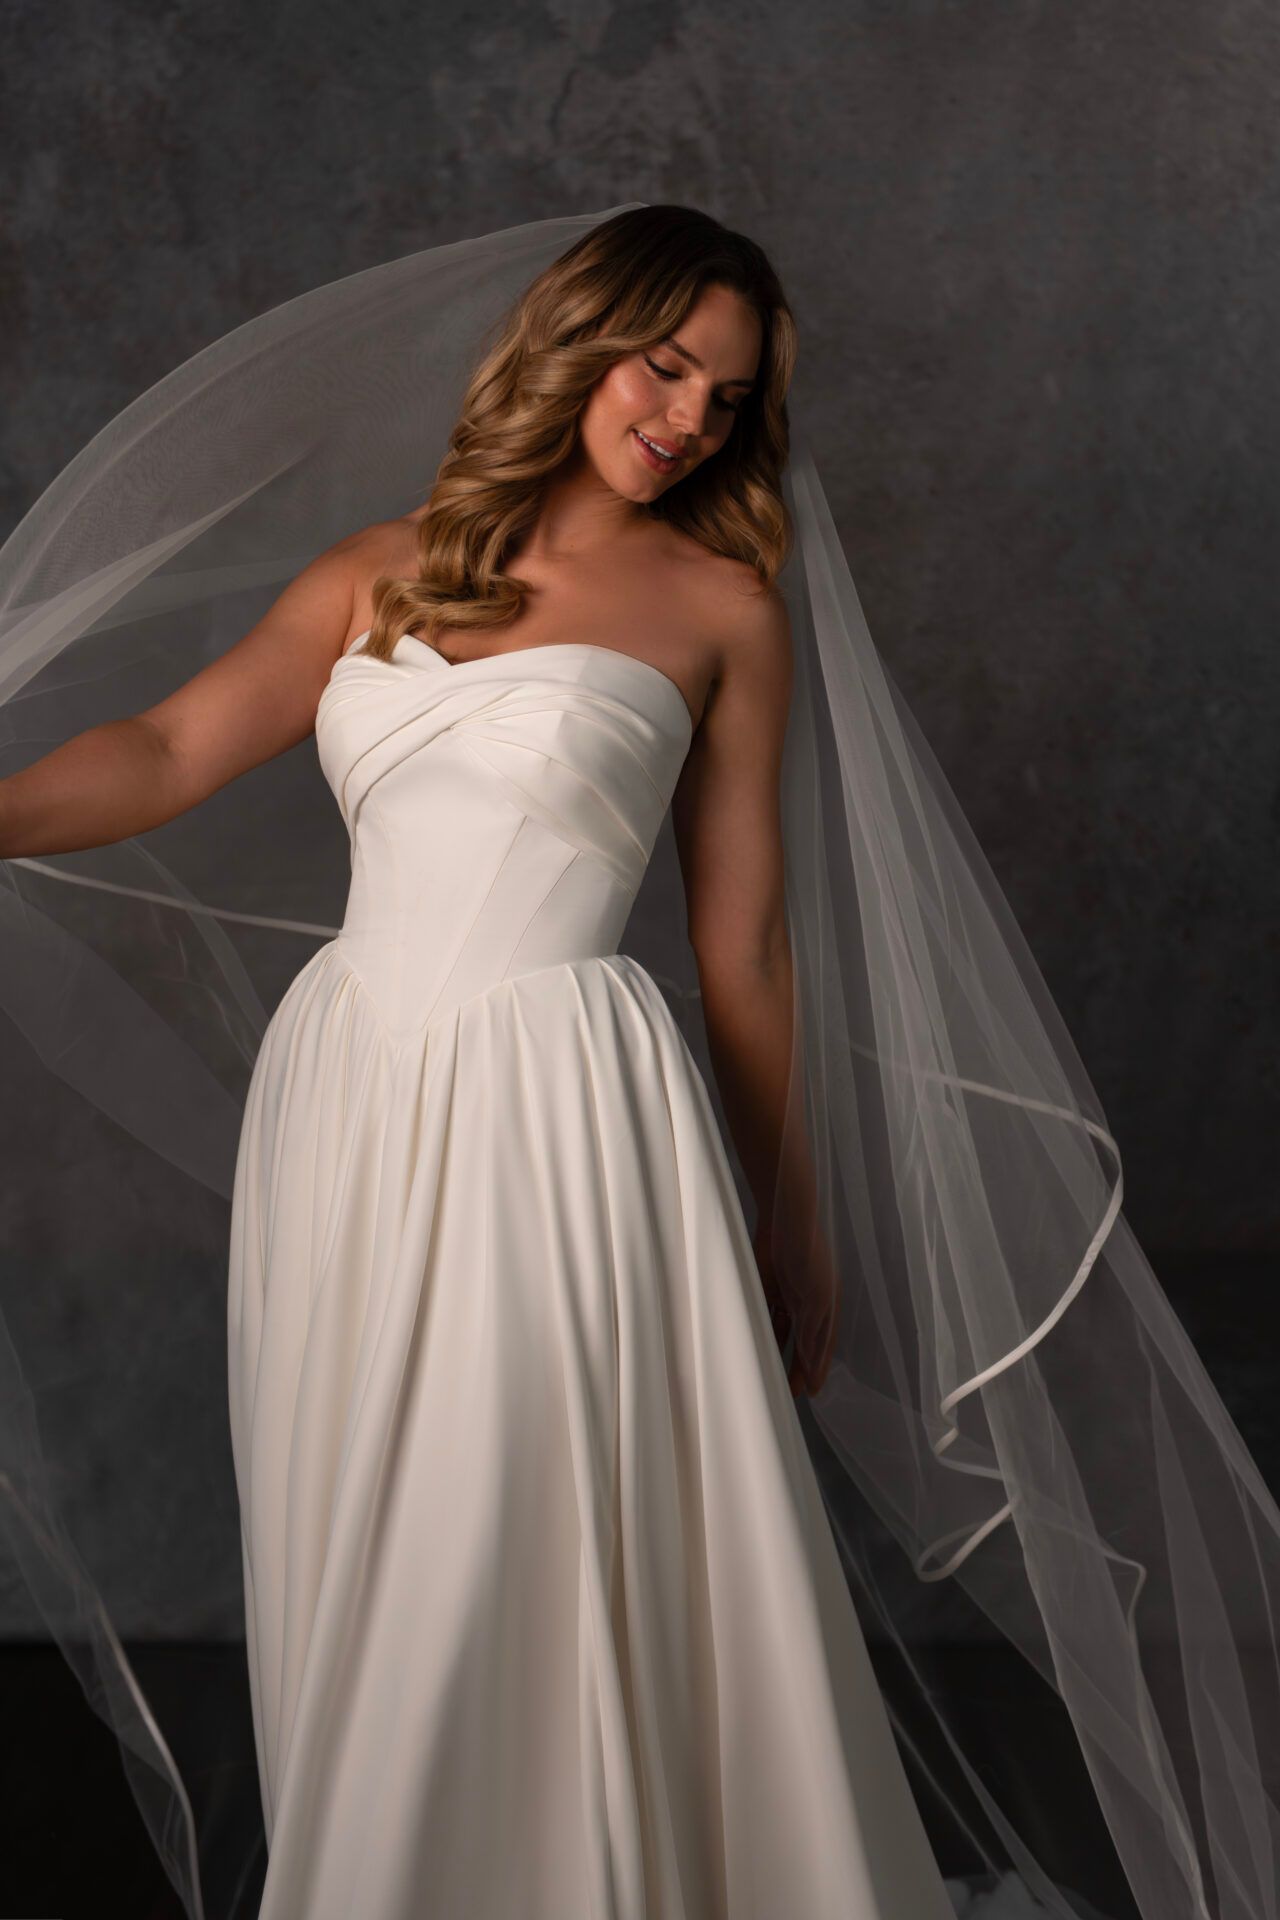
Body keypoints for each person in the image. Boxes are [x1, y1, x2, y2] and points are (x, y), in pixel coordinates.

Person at [0, 202, 1276, 1920]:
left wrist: (790, 1212)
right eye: (663, 363)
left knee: (514, 1514)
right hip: (353, 1102)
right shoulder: (376, 570)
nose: (684, 417)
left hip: (562, 1109)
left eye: (727, 398)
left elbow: (742, 941)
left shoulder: (723, 605)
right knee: (360, 1520)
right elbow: (161, 749)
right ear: (571, 338)